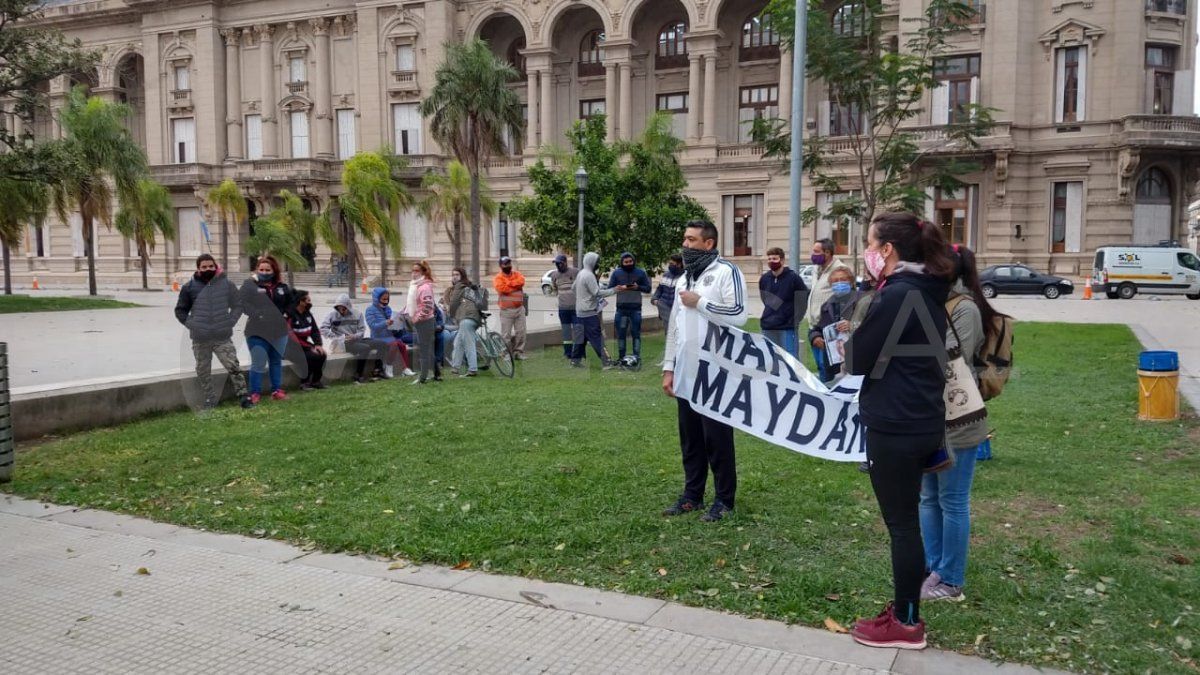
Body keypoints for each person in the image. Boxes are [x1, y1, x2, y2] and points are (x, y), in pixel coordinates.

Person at [844, 213, 954, 650]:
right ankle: (906, 611)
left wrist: (854, 334)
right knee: (908, 522)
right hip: (920, 417)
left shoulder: (897, 295)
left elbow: (856, 360)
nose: (866, 251)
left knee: (903, 525)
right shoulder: (927, 289)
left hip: (896, 423)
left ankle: (907, 622)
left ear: (886, 250)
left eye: (869, 243)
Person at [920, 245, 1003, 603]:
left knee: (953, 500)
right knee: (927, 497)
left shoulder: (965, 308)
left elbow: (951, 361)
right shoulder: (934, 303)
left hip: (957, 418)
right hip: (928, 415)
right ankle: (933, 566)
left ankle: (951, 580)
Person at [661, 220, 749, 522]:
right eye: (684, 239)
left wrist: (701, 303)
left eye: (691, 240)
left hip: (717, 372)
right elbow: (674, 325)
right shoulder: (684, 278)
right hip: (687, 371)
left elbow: (739, 315)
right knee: (691, 438)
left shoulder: (726, 272)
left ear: (708, 244)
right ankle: (692, 495)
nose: (685, 245)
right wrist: (669, 367)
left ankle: (724, 500)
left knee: (717, 438)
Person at [174, 254, 253, 409]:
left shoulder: (227, 285)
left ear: (215, 267)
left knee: (233, 366)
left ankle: (244, 396)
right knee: (203, 370)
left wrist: (230, 321)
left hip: (222, 336)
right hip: (200, 338)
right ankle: (210, 399)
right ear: (198, 269)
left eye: (211, 266)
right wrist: (193, 324)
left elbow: (238, 305)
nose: (208, 269)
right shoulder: (189, 288)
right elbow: (180, 311)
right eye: (204, 267)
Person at [239, 256, 294, 404]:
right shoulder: (250, 285)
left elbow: (291, 303)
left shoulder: (282, 287)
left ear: (273, 270)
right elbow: (242, 302)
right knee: (258, 362)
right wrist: (258, 314)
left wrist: (287, 314)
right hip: (257, 331)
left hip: (279, 332)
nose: (264, 272)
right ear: (257, 270)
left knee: (276, 361)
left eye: (267, 270)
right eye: (261, 269)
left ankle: (276, 390)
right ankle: (255, 393)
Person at [808, 266, 866, 383]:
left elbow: (872, 324)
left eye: (843, 279)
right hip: (832, 362)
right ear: (830, 284)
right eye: (835, 281)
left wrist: (852, 325)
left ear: (851, 281)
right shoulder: (827, 305)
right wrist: (815, 337)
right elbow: (817, 328)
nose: (839, 283)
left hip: (856, 358)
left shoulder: (863, 300)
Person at [805, 238, 851, 381]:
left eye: (816, 251)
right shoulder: (817, 269)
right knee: (820, 366)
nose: (813, 254)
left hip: (831, 330)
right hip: (815, 327)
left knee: (829, 369)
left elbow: (847, 300)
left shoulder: (839, 270)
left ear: (828, 252)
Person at [320, 293, 385, 384]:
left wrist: (354, 336)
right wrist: (339, 337)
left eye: (343, 308)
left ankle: (378, 370)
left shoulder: (358, 314)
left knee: (381, 343)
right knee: (364, 348)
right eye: (338, 308)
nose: (341, 310)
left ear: (348, 306)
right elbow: (323, 329)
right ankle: (358, 374)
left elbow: (362, 330)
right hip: (341, 343)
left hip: (355, 339)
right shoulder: (332, 315)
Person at [758, 247, 808, 358]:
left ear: (782, 260)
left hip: (787, 327)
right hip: (768, 327)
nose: (771, 261)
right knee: (770, 359)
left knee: (790, 360)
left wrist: (795, 319)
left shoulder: (794, 278)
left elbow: (803, 300)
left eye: (774, 258)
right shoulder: (764, 279)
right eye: (769, 259)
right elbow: (765, 299)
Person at [571, 252, 618, 367]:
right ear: (592, 262)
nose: (598, 264)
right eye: (597, 262)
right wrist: (614, 290)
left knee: (580, 339)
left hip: (579, 313)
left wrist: (582, 298)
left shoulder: (581, 273)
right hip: (589, 314)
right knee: (597, 338)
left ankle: (575, 361)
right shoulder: (589, 275)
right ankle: (607, 362)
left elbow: (573, 288)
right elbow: (597, 293)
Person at [607, 252, 651, 361]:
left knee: (636, 333)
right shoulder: (617, 273)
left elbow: (648, 288)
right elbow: (609, 289)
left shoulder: (640, 273)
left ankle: (637, 356)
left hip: (635, 309)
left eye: (630, 261)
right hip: (621, 309)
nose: (628, 264)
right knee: (621, 334)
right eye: (626, 262)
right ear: (622, 262)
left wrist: (637, 287)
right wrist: (617, 288)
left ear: (634, 261)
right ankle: (622, 357)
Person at [364, 286, 415, 378]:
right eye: (383, 299)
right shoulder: (370, 310)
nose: (385, 301)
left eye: (387, 299)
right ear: (376, 298)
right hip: (378, 337)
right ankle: (389, 366)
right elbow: (373, 326)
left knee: (401, 344)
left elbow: (392, 325)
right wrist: (385, 323)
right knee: (394, 344)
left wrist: (398, 324)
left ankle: (405, 368)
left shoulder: (388, 309)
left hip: (389, 336)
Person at [284, 289, 328, 390]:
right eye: (308, 300)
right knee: (310, 356)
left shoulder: (308, 314)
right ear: (301, 302)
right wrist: (309, 347)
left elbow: (315, 331)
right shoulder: (290, 315)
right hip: (290, 347)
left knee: (322, 354)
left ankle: (316, 381)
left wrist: (318, 344)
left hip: (304, 345)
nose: (310, 302)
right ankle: (304, 383)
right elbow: (291, 336)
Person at [406, 260, 441, 384]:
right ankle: (436, 374)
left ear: (422, 272)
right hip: (423, 322)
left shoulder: (424, 287)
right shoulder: (416, 285)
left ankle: (422, 378)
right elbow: (415, 304)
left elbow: (427, 306)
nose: (413, 273)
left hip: (425, 322)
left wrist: (416, 318)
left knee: (424, 351)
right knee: (428, 350)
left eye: (416, 271)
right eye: (412, 270)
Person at [447, 267, 485, 377]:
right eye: (453, 274)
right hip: (473, 318)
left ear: (462, 276)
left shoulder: (459, 286)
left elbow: (453, 303)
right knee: (458, 342)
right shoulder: (469, 287)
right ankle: (455, 367)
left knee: (469, 344)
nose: (454, 277)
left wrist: (451, 314)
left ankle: (472, 369)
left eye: (457, 275)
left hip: (466, 319)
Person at [493, 256, 527, 360]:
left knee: (521, 332)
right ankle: (506, 353)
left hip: (520, 309)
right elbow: (502, 289)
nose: (507, 265)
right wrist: (514, 286)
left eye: (509, 263)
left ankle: (518, 352)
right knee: (506, 334)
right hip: (506, 310)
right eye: (505, 264)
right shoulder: (498, 278)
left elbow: (521, 282)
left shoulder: (517, 274)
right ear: (500, 266)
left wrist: (509, 284)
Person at [549, 254, 579, 359]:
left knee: (578, 330)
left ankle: (578, 353)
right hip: (563, 308)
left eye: (560, 263)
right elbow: (555, 289)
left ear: (565, 262)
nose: (558, 265)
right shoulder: (554, 275)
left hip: (576, 308)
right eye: (556, 263)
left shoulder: (575, 272)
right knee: (566, 332)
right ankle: (567, 353)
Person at [651, 254, 683, 339]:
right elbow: (659, 289)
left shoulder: (684, 277)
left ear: (679, 264)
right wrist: (655, 300)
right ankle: (670, 351)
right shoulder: (666, 275)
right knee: (669, 332)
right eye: (670, 263)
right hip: (664, 307)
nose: (670, 265)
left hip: (677, 310)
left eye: (672, 263)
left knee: (677, 333)